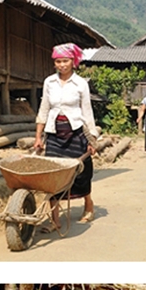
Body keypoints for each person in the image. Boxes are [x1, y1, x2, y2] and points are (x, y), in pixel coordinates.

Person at [33, 43, 99, 227]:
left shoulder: (80, 84)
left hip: (76, 132)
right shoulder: (49, 82)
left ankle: (88, 205)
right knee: (52, 175)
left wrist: (92, 139)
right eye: (58, 61)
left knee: (81, 172)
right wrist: (38, 137)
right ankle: (55, 221)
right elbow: (44, 108)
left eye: (65, 61)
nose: (62, 65)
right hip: (54, 133)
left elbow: (87, 112)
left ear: (73, 61)